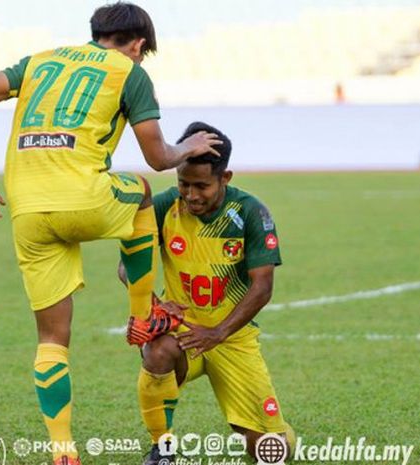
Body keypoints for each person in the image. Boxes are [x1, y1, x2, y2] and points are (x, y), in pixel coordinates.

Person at [0, 4, 221, 465]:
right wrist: (190, 147)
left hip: (29, 212)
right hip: (84, 199)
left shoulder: (40, 61)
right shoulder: (129, 72)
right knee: (140, 191)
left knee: (52, 340)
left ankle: (63, 451)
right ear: (138, 45)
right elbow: (160, 157)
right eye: (143, 54)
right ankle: (142, 317)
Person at [119, 122, 295, 465]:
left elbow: (262, 287)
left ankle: (279, 431)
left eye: (202, 186)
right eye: (183, 183)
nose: (191, 194)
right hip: (183, 333)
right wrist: (152, 305)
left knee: (272, 452)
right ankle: (162, 449)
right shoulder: (163, 207)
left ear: (224, 178)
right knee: (157, 351)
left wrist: (217, 332)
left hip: (231, 338)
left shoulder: (249, 212)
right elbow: (128, 267)